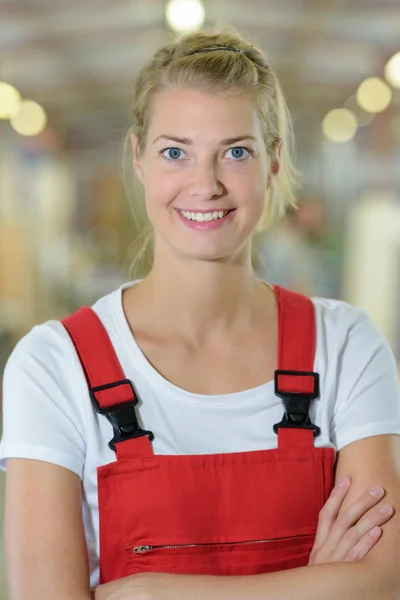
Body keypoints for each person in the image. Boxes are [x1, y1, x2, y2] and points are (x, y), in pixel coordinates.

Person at [1, 25, 400, 600]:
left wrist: (151, 592)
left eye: (236, 152)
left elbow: (386, 580)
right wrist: (318, 584)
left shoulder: (345, 345)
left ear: (273, 162)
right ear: (138, 159)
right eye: (175, 152)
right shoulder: (54, 365)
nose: (205, 184)